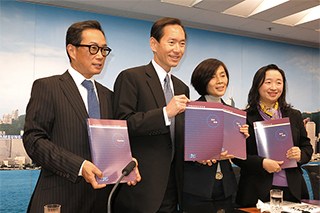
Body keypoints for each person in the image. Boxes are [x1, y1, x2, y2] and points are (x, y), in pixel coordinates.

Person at [23, 20, 141, 213]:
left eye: (104, 50)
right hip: (59, 198)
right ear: (72, 50)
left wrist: (126, 163)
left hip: (101, 201)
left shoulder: (109, 96)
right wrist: (80, 166)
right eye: (93, 48)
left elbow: (114, 142)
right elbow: (33, 141)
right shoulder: (48, 87)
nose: (101, 56)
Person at [112, 17, 190, 212]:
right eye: (171, 42)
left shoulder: (182, 87)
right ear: (153, 44)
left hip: (173, 187)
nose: (178, 49)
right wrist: (165, 113)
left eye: (182, 44)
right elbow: (122, 124)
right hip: (140, 187)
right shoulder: (131, 77)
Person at [233, 64, 313, 207]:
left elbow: (307, 146)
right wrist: (262, 163)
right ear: (257, 85)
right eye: (268, 82)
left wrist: (301, 154)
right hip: (256, 192)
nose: (274, 87)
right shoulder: (245, 117)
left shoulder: (294, 116)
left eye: (279, 82)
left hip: (293, 190)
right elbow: (238, 156)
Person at [183, 58, 249, 209]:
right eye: (213, 76)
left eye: (223, 75)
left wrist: (242, 138)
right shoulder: (191, 110)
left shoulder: (235, 114)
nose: (220, 81)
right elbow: (182, 150)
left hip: (226, 187)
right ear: (202, 80)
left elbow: (239, 155)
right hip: (197, 188)